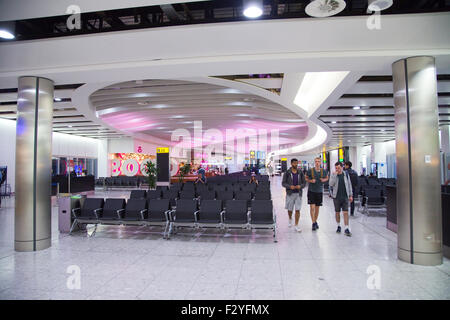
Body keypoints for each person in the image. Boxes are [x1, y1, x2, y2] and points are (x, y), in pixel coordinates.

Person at [329, 162, 353, 237]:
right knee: (337, 212)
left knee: (345, 212)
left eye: (339, 168)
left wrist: (350, 195)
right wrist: (334, 175)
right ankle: (338, 226)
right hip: (336, 197)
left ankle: (346, 227)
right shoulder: (333, 175)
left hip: (345, 196)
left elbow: (349, 185)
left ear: (342, 167)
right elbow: (331, 184)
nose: (337, 170)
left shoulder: (345, 174)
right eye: (336, 168)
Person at [282, 158, 306, 232]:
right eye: (294, 163)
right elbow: (283, 183)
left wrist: (300, 186)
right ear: (291, 164)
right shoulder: (287, 173)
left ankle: (296, 225)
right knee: (290, 209)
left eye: (296, 163)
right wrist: (289, 186)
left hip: (298, 194)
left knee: (297, 209)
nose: (296, 164)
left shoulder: (300, 172)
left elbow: (304, 183)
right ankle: (290, 218)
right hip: (290, 193)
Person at [305, 157, 329, 231]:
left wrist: (324, 180)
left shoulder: (323, 171)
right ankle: (313, 223)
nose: (317, 163)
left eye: (318, 161)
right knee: (312, 207)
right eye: (316, 161)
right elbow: (306, 178)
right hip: (311, 191)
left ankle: (315, 221)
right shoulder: (310, 171)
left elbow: (327, 178)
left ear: (320, 162)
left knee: (317, 208)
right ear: (314, 162)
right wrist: (310, 180)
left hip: (319, 191)